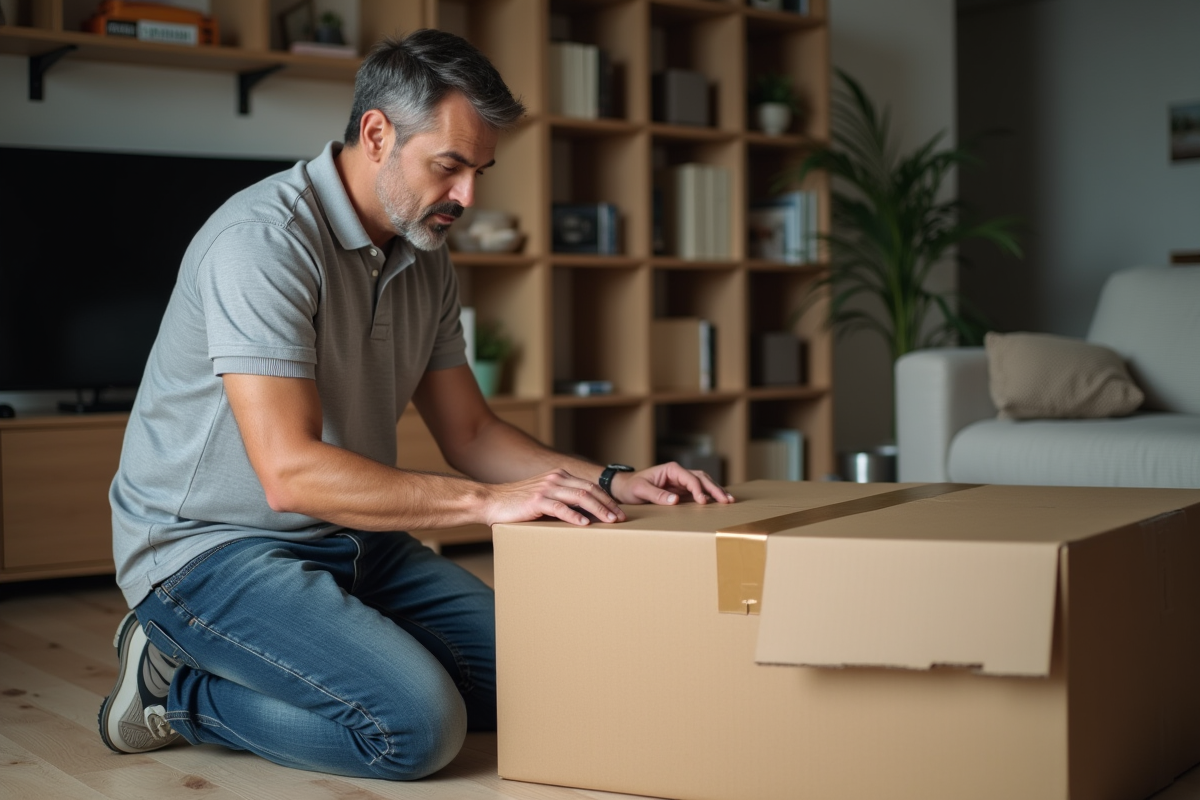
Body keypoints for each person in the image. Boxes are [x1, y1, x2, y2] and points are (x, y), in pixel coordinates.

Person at [99, 28, 733, 781]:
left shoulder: (424, 253)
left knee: (552, 684)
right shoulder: (261, 242)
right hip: (209, 552)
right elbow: (290, 474)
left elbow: (470, 430)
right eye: (450, 166)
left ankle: (308, 654)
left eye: (480, 170)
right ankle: (179, 690)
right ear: (376, 134)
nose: (468, 197)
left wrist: (611, 480)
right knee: (419, 728)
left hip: (355, 537)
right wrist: (489, 503)